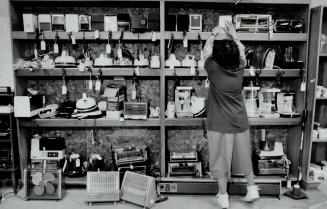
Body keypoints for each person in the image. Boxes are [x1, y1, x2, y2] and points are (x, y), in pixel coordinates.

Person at [203, 22, 260, 208]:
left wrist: (214, 34)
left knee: (221, 159)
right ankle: (251, 188)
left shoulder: (212, 68)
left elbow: (206, 51)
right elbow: (242, 51)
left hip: (219, 123)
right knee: (244, 156)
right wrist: (234, 35)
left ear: (217, 57)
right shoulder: (240, 68)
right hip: (239, 121)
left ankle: (223, 196)